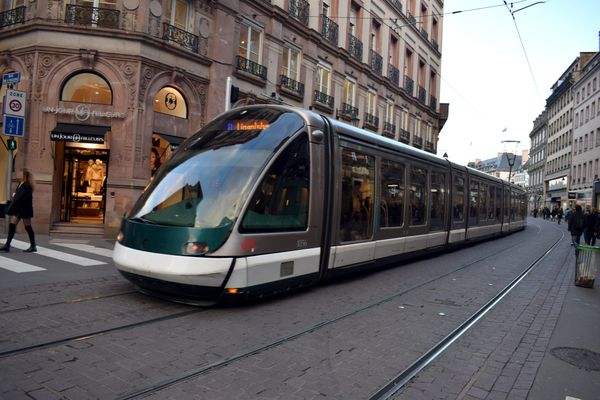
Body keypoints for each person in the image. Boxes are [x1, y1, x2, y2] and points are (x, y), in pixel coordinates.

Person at [1, 169, 36, 252]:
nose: (18, 174)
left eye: (20, 173)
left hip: (24, 209)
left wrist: (12, 201)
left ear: (24, 175)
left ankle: (33, 246)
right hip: (18, 209)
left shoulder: (27, 185)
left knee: (28, 227)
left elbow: (19, 197)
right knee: (12, 225)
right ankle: (7, 245)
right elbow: (17, 196)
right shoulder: (21, 183)